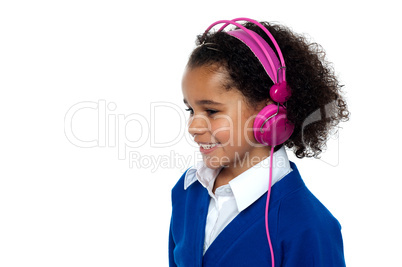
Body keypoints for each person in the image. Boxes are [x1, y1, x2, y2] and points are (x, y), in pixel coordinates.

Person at [169, 18, 349, 267]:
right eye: (190, 109)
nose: (193, 127)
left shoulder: (307, 226)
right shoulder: (188, 191)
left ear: (269, 115)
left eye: (211, 111)